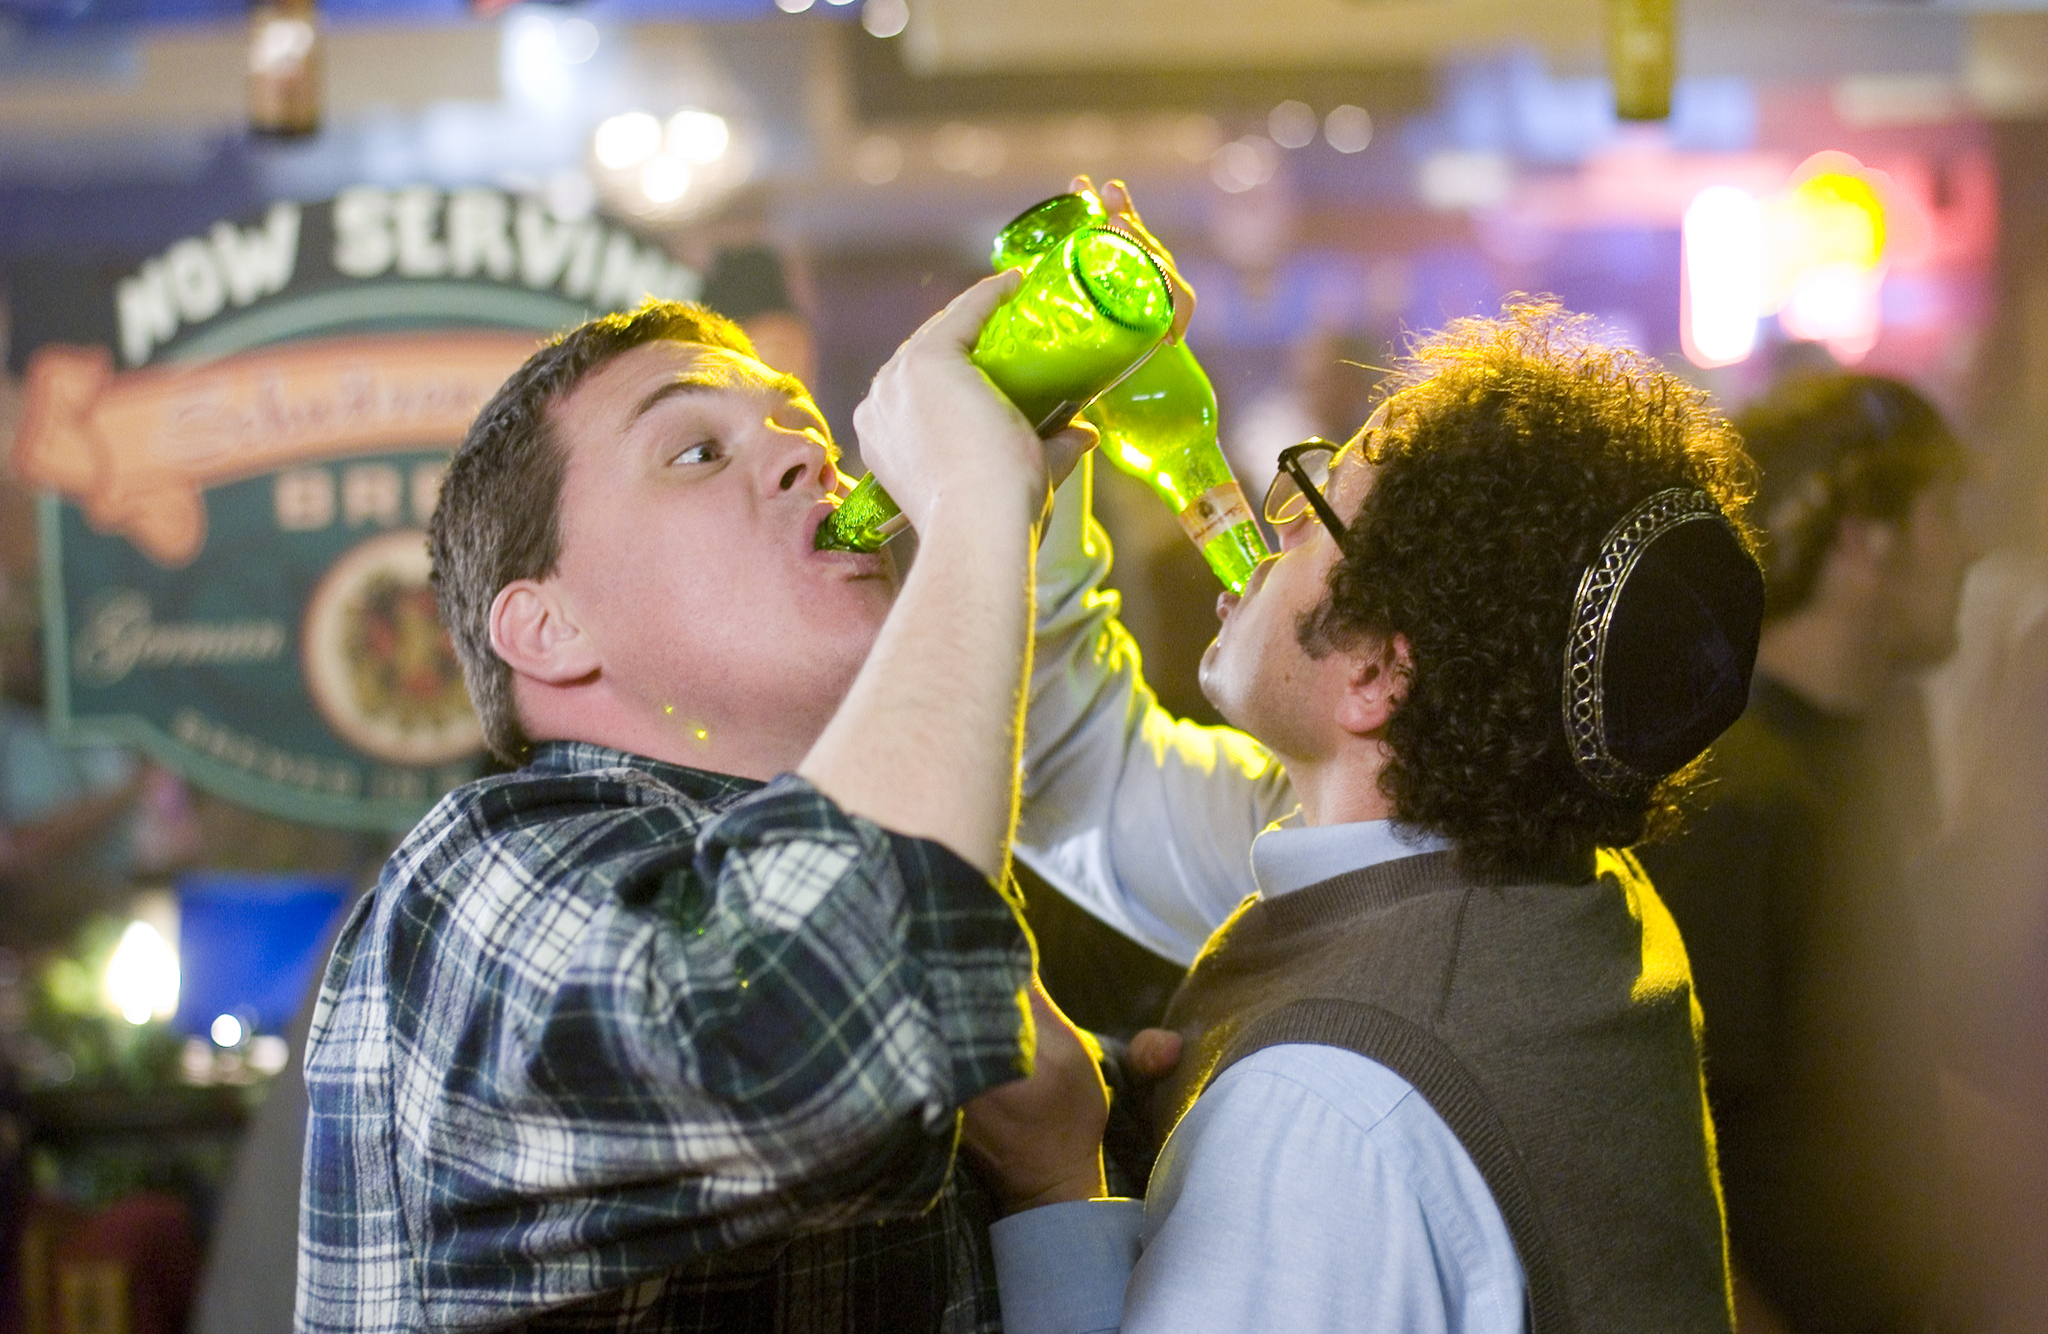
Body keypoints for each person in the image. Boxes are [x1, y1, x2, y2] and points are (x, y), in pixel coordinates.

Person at [295, 282, 1109, 1332]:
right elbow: (788, 1039)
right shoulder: (468, 879)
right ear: (546, 627)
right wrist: (972, 510)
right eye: (696, 452)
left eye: (803, 429)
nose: (808, 457)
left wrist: (1053, 1174)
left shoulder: (865, 864)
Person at [993, 290, 1766, 1333]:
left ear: (1375, 670)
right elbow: (1075, 773)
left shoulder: (1321, 1109)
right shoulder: (1544, 886)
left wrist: (1053, 1182)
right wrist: (1040, 436)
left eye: (1315, 500)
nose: (1267, 512)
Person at [1633, 374, 1975, 1334]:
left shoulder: (1844, 752)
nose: (1973, 545)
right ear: (1865, 536)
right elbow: (1663, 1161)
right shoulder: (1739, 797)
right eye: (1945, 510)